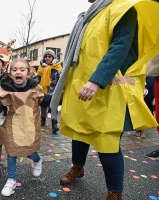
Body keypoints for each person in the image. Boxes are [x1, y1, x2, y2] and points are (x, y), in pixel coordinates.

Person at [50, 0, 159, 199]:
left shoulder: (123, 8)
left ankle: (115, 192)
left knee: (107, 141)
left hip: (107, 89)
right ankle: (78, 167)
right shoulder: (88, 16)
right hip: (81, 87)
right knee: (78, 130)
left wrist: (96, 81)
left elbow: (119, 47)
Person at [0, 58, 52, 197]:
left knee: (29, 151)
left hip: (29, 126)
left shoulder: (35, 90)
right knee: (12, 152)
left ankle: (37, 160)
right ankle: (11, 179)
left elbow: (46, 101)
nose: (18, 72)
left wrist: (61, 97)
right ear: (10, 74)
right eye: (14, 70)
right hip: (12, 127)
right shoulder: (6, 91)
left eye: (22, 70)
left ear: (28, 74)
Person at [37, 49, 62, 134]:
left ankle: (54, 125)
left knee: (53, 107)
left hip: (54, 90)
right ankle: (42, 120)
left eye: (49, 56)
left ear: (53, 57)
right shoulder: (41, 67)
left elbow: (61, 79)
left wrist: (61, 88)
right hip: (43, 89)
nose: (47, 58)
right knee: (43, 106)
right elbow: (38, 78)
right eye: (46, 57)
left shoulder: (57, 67)